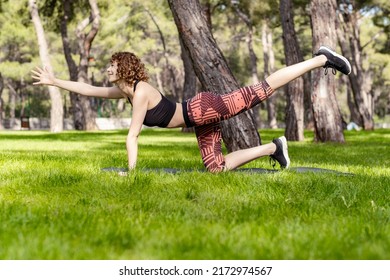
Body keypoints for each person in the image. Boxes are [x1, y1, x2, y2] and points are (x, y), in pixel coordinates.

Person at [31, 46, 351, 173]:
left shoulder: (140, 93)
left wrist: (130, 173)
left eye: (112, 66)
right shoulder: (125, 91)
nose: (108, 70)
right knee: (216, 168)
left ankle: (322, 59)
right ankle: (274, 147)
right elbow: (88, 89)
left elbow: (133, 136)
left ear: (125, 67)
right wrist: (55, 81)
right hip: (199, 117)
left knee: (262, 89)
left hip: (203, 108)